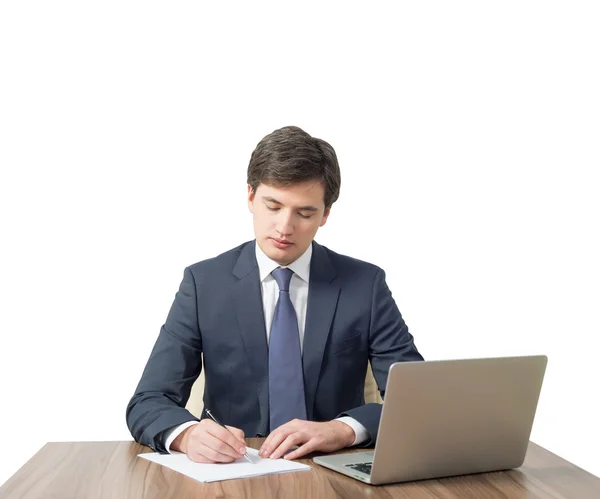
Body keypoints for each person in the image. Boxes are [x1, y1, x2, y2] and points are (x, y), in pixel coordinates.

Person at [126, 126, 423, 463]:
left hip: (333, 467)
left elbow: (416, 401)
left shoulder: (365, 285)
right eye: (273, 205)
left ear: (326, 214)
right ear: (250, 197)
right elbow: (148, 401)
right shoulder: (203, 284)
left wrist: (342, 429)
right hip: (234, 469)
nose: (285, 227)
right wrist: (188, 436)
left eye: (305, 213)